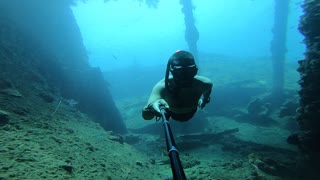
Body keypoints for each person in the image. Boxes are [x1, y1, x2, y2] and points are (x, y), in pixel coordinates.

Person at [142, 50, 213, 122]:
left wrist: (204, 100)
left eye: (189, 70)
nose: (185, 76)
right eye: (179, 71)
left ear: (195, 70)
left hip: (186, 112)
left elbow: (206, 95)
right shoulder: (162, 86)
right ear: (171, 71)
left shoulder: (205, 84)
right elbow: (147, 115)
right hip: (172, 112)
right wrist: (150, 108)